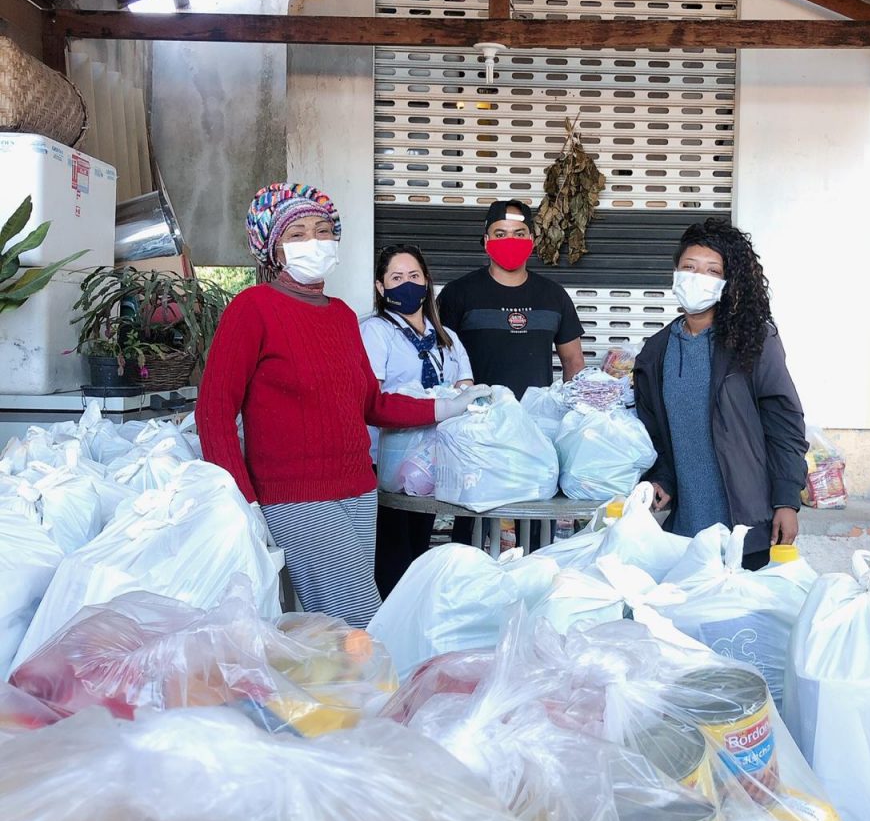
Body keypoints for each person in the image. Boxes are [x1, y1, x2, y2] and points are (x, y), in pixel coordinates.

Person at [196, 183, 489, 626]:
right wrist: (244, 500)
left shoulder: (341, 316)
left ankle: (335, 695)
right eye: (297, 234)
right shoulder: (251, 308)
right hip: (297, 496)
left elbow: (370, 403)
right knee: (359, 622)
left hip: (358, 489)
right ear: (273, 249)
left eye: (323, 230)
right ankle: (375, 696)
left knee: (333, 629)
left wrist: (447, 407)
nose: (314, 241)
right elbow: (214, 413)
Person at [633, 219, 807, 570]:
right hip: (685, 530)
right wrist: (662, 479)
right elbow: (658, 435)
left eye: (713, 271)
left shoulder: (753, 342)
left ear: (728, 284)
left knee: (743, 624)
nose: (698, 277)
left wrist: (787, 500)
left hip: (746, 525)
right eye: (689, 268)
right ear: (675, 273)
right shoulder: (656, 352)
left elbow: (784, 424)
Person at [360, 244, 475, 598]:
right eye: (396, 277)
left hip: (431, 464)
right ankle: (387, 636)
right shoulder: (375, 332)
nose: (406, 284)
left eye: (414, 276)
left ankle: (412, 626)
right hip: (388, 461)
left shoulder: (447, 338)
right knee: (393, 555)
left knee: (418, 552)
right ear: (381, 287)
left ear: (427, 282)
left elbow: (466, 388)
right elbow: (371, 398)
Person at [437, 199, 586, 399]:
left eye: (519, 234)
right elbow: (439, 361)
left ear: (531, 240)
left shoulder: (554, 295)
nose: (510, 240)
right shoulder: (457, 293)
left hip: (534, 421)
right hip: (476, 419)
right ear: (487, 241)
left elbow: (573, 362)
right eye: (500, 234)